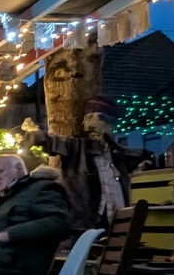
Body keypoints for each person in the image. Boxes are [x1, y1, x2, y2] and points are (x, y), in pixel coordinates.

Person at [21, 96, 145, 232]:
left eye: (110, 121)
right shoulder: (76, 147)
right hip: (86, 222)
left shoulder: (116, 153)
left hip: (117, 219)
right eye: (100, 118)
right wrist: (34, 135)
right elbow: (51, 141)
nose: (104, 125)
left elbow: (140, 157)